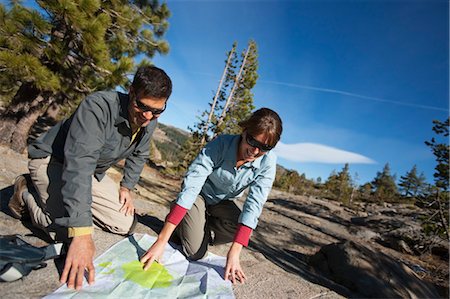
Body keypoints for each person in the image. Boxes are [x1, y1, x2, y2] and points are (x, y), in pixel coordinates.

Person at [7, 65, 172, 290]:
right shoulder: (98, 107)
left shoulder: (150, 120)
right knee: (67, 232)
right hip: (54, 161)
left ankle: (64, 202)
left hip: (92, 172)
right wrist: (82, 233)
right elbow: (79, 165)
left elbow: (140, 153)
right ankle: (24, 192)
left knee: (123, 223)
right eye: (142, 106)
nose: (148, 116)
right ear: (131, 91)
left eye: (157, 111)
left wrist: (127, 186)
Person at [140, 108, 282, 284]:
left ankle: (194, 225)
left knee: (241, 229)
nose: (254, 151)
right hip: (198, 196)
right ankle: (185, 220)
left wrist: (235, 252)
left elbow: (254, 205)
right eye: (252, 141)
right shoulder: (221, 144)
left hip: (222, 203)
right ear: (244, 131)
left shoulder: (268, 163)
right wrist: (162, 240)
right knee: (196, 253)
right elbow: (192, 185)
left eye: (264, 147)